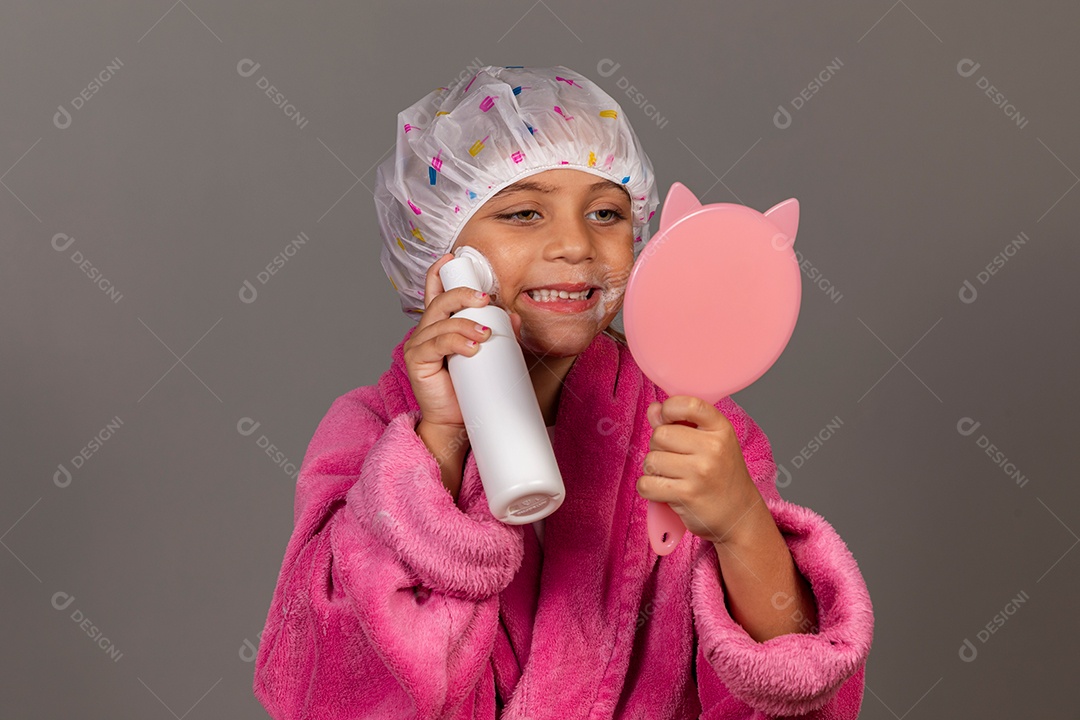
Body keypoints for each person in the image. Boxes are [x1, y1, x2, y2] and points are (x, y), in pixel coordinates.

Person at [252, 65, 874, 719]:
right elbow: (328, 682)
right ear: (440, 252)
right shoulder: (370, 428)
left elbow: (796, 689)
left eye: (606, 213)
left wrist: (742, 526)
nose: (576, 245)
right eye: (523, 214)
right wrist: (439, 443)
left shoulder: (693, 428)